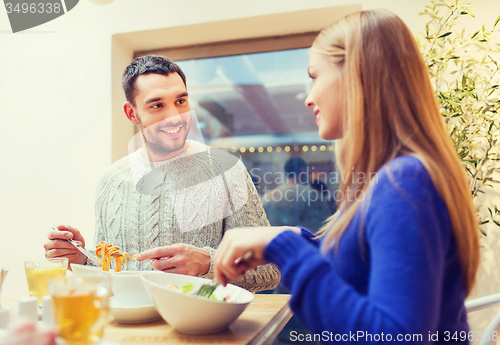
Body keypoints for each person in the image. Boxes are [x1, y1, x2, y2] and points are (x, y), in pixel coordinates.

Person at [213, 9, 479, 343]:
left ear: (357, 74)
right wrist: (295, 238)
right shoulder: (396, 177)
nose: (309, 98)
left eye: (314, 76)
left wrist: (289, 249)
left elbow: (397, 336)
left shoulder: (404, 182)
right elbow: (361, 264)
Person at [44, 55, 280, 292]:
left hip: (203, 326)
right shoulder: (110, 181)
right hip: (129, 327)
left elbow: (270, 272)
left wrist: (209, 263)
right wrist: (82, 259)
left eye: (180, 101)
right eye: (157, 105)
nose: (175, 116)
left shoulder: (226, 170)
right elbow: (111, 274)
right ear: (131, 113)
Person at [262, 156, 332, 233]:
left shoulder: (268, 197)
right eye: (307, 172)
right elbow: (324, 225)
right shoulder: (314, 196)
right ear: (303, 171)